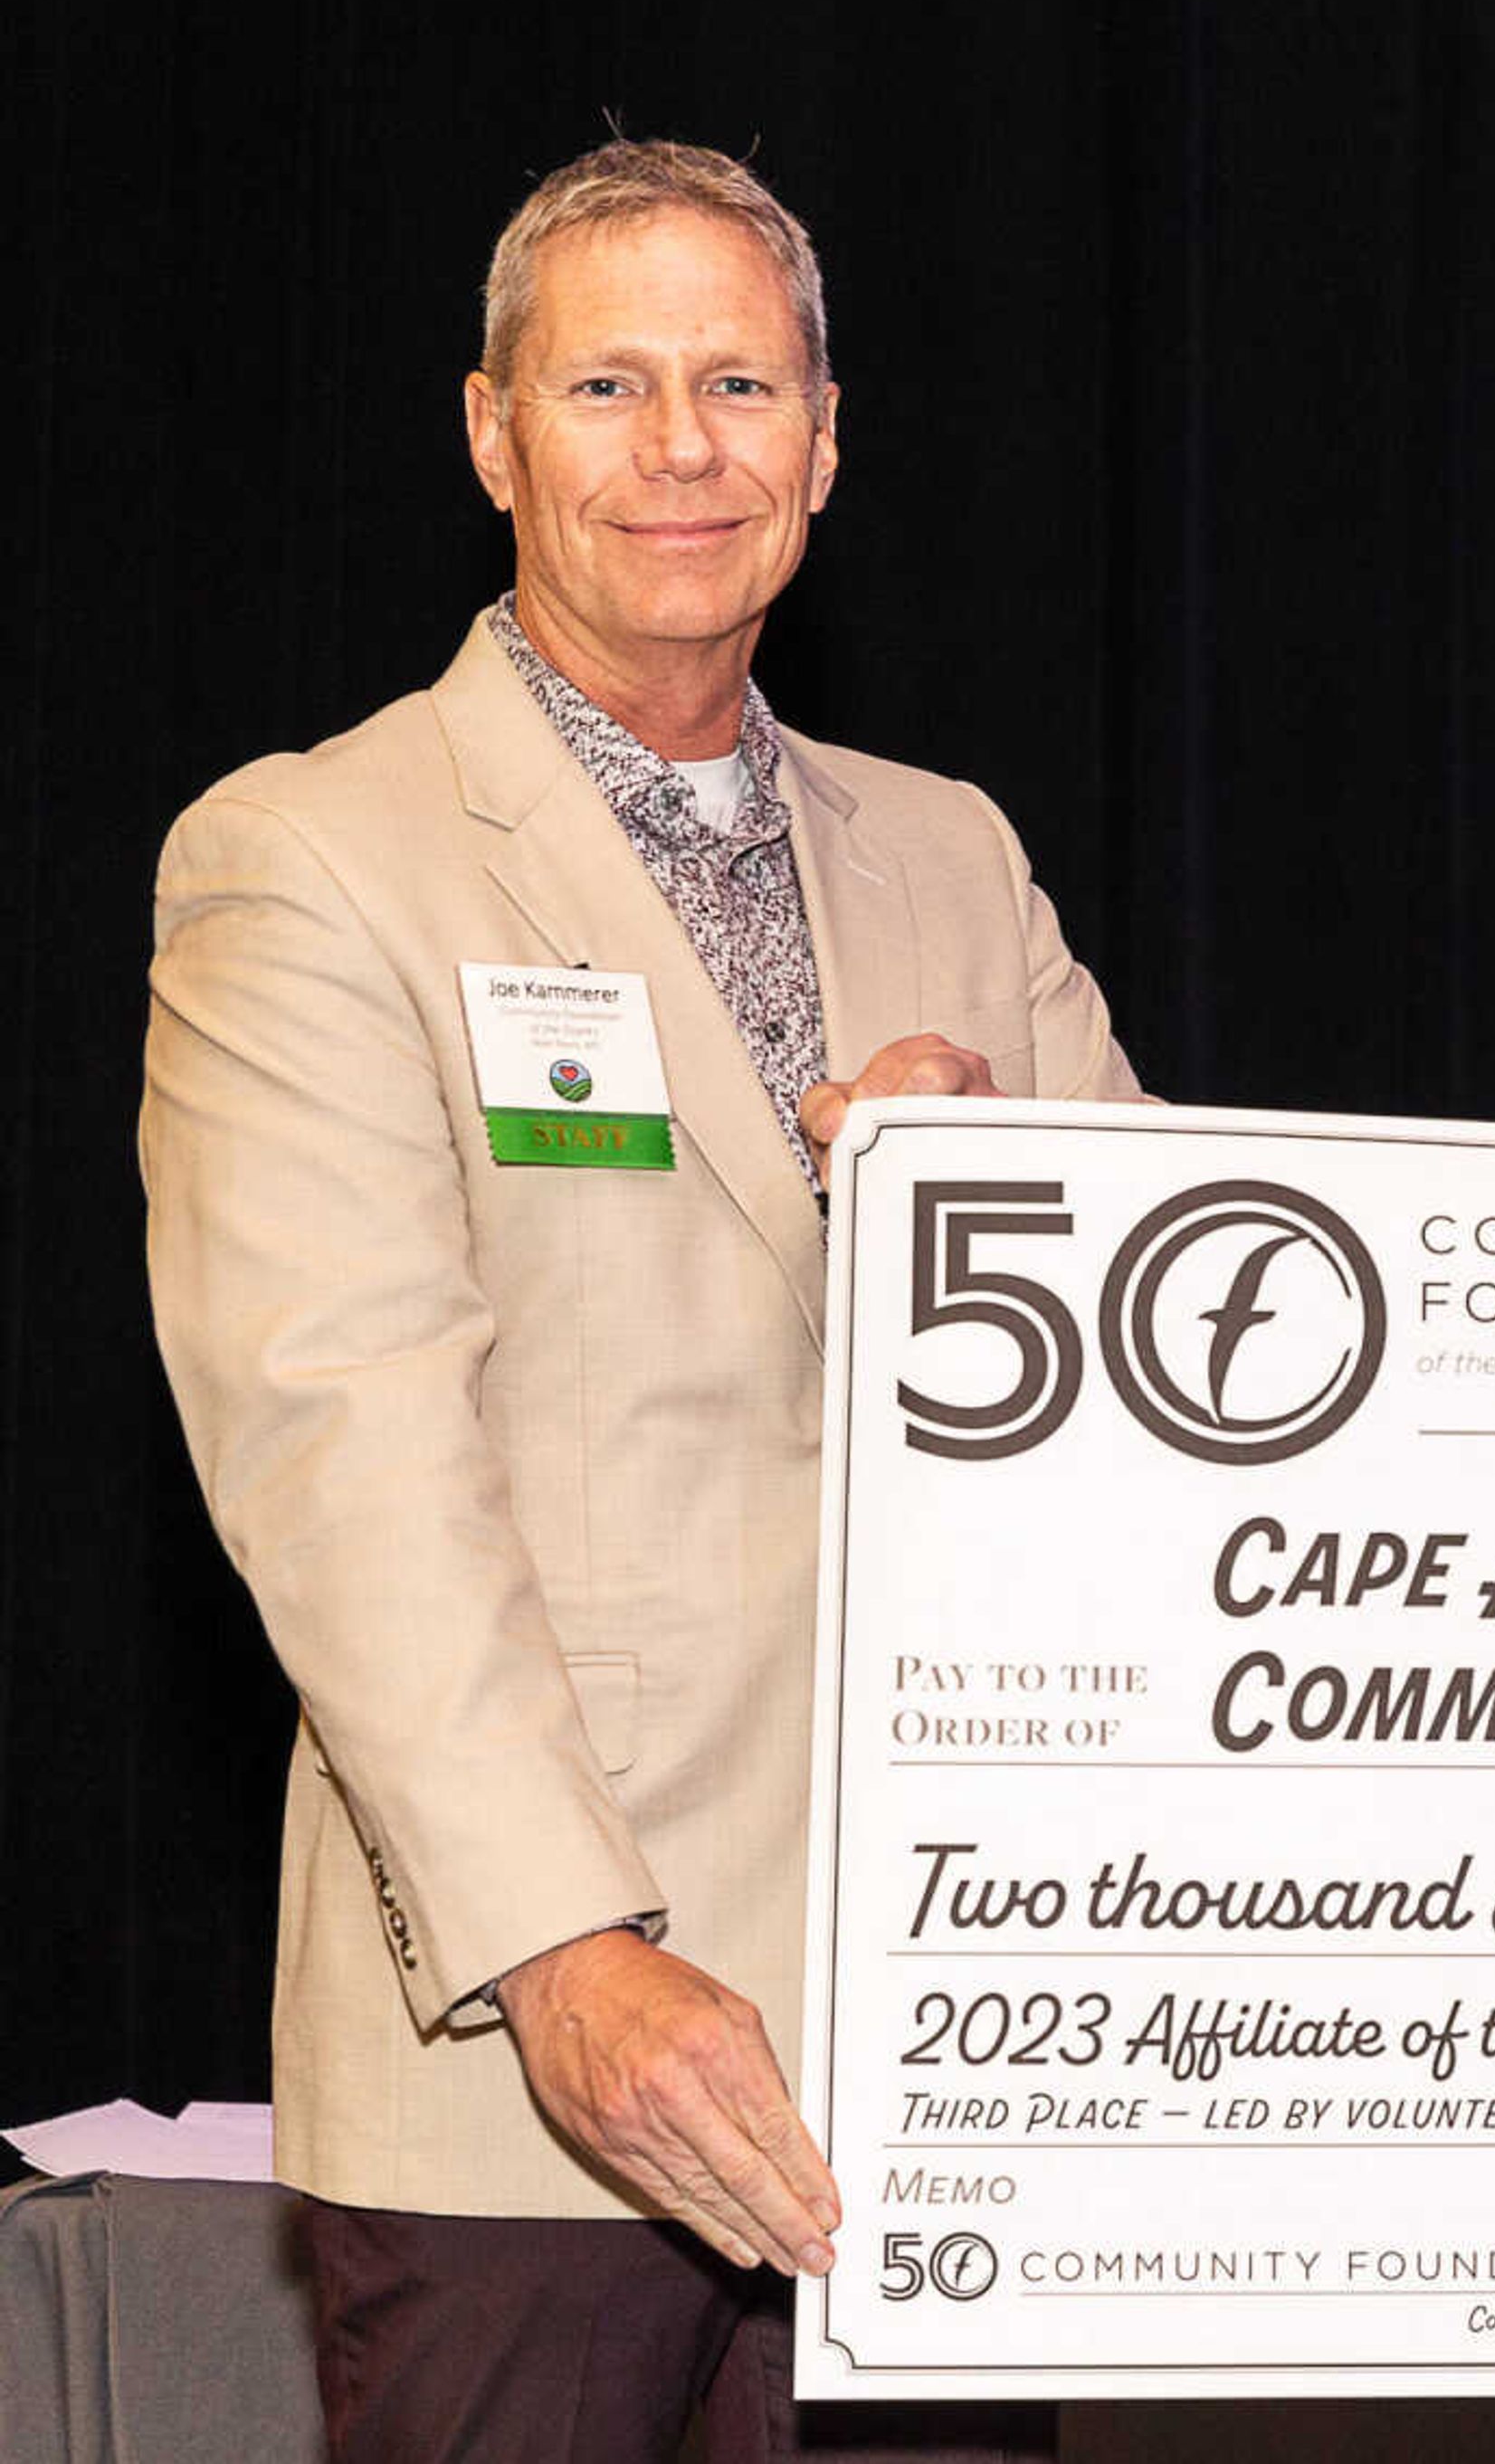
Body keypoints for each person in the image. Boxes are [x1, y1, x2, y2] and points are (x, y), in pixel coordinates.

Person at [140, 141, 1134, 2462]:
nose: (680, 445)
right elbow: (342, 1459)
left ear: (822, 441)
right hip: (542, 2085)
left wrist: (1010, 1173)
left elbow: (1187, 1344)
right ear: (493, 433)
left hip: (945, 2051)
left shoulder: (952, 848)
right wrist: (564, 1949)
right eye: (606, 381)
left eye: (738, 383)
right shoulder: (312, 855)